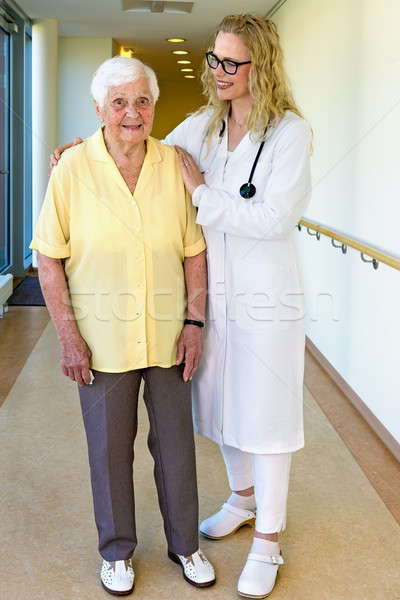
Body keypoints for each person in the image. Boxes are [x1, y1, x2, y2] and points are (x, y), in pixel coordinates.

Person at [51, 14, 312, 599]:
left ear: (260, 66)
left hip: (265, 300)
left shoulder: (289, 132)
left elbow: (272, 218)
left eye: (230, 62)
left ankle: (268, 541)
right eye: (214, 59)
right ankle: (241, 500)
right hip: (210, 298)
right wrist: (83, 149)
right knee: (220, 410)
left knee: (266, 419)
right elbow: (143, 141)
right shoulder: (205, 126)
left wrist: (201, 194)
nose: (217, 71)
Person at [32, 56, 216, 596]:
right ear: (98, 110)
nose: (131, 113)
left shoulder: (174, 164)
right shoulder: (70, 169)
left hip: (166, 334)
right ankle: (116, 552)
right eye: (119, 102)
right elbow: (48, 260)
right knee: (109, 453)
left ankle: (186, 546)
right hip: (100, 341)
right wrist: (68, 338)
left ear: (154, 107)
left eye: (142, 101)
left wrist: (194, 321)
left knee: (177, 448)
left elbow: (194, 253)